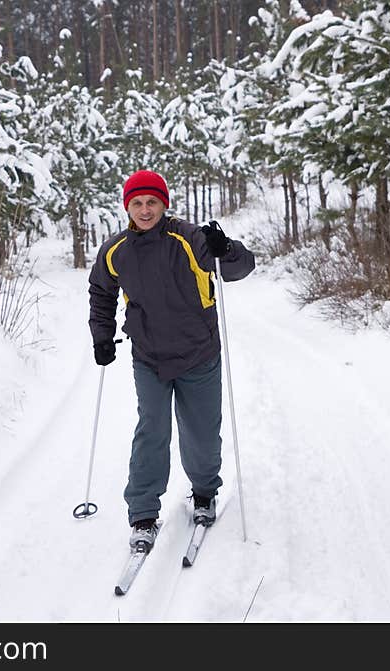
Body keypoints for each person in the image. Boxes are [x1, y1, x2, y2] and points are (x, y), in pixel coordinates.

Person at [88, 169, 255, 551]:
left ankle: (203, 492)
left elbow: (240, 268)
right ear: (127, 207)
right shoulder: (116, 250)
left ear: (164, 203)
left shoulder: (191, 237)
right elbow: (101, 291)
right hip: (149, 356)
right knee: (152, 430)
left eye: (152, 202)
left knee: (200, 432)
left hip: (199, 352)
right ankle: (143, 513)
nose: (145, 210)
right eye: (137, 204)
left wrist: (225, 248)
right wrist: (102, 335)